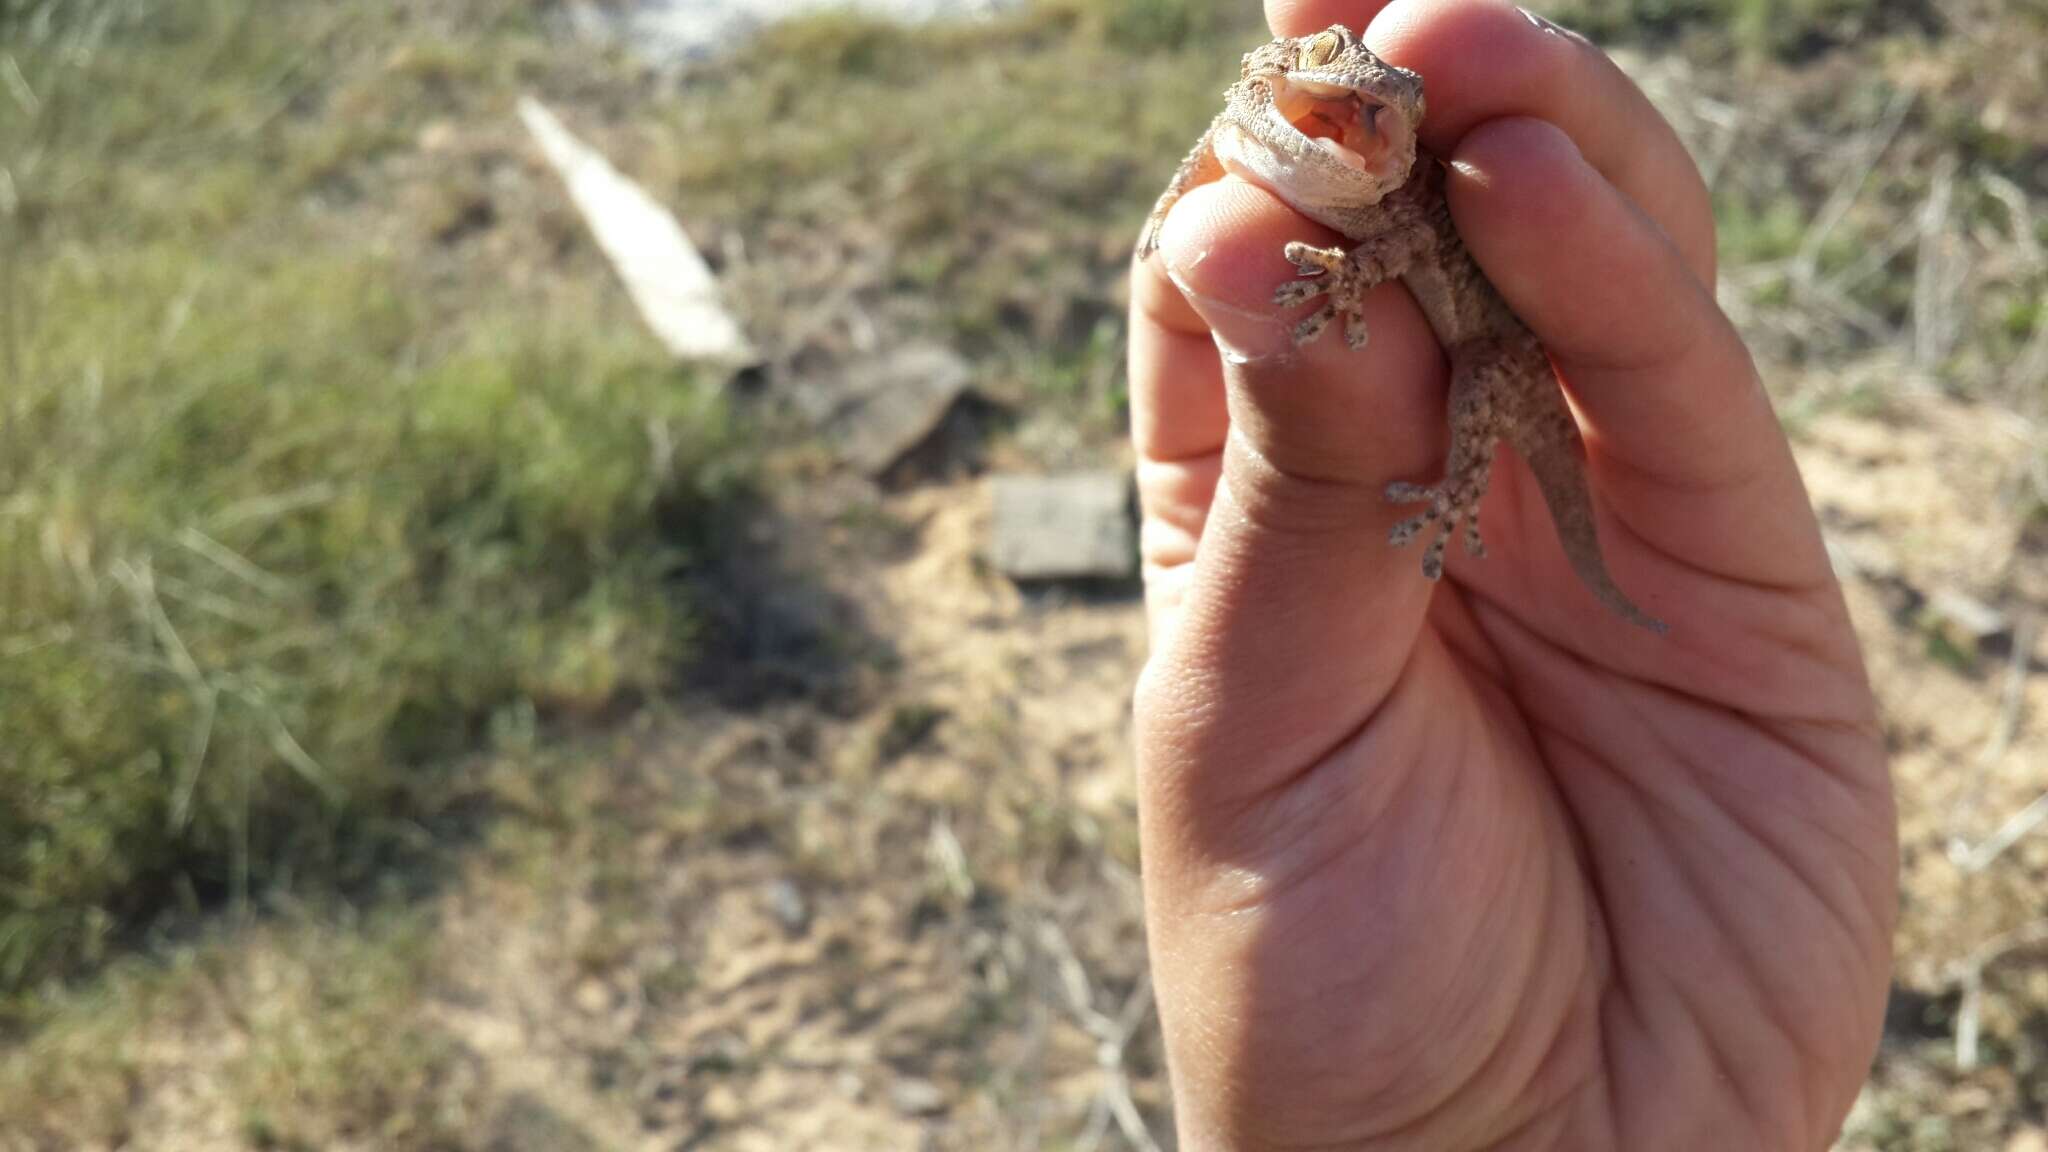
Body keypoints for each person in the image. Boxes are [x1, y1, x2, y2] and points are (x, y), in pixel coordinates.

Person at [1127, 1, 1898, 1148]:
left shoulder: (1392, 205)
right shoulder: (1257, 129)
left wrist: (1442, 481)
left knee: (1475, 383)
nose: (1350, 125)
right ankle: (1448, 499)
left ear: (1394, 146)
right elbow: (1223, 148)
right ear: (1259, 88)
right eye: (1326, 104)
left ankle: (1448, 497)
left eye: (1378, 121)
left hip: (1494, 346)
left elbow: (1385, 244)